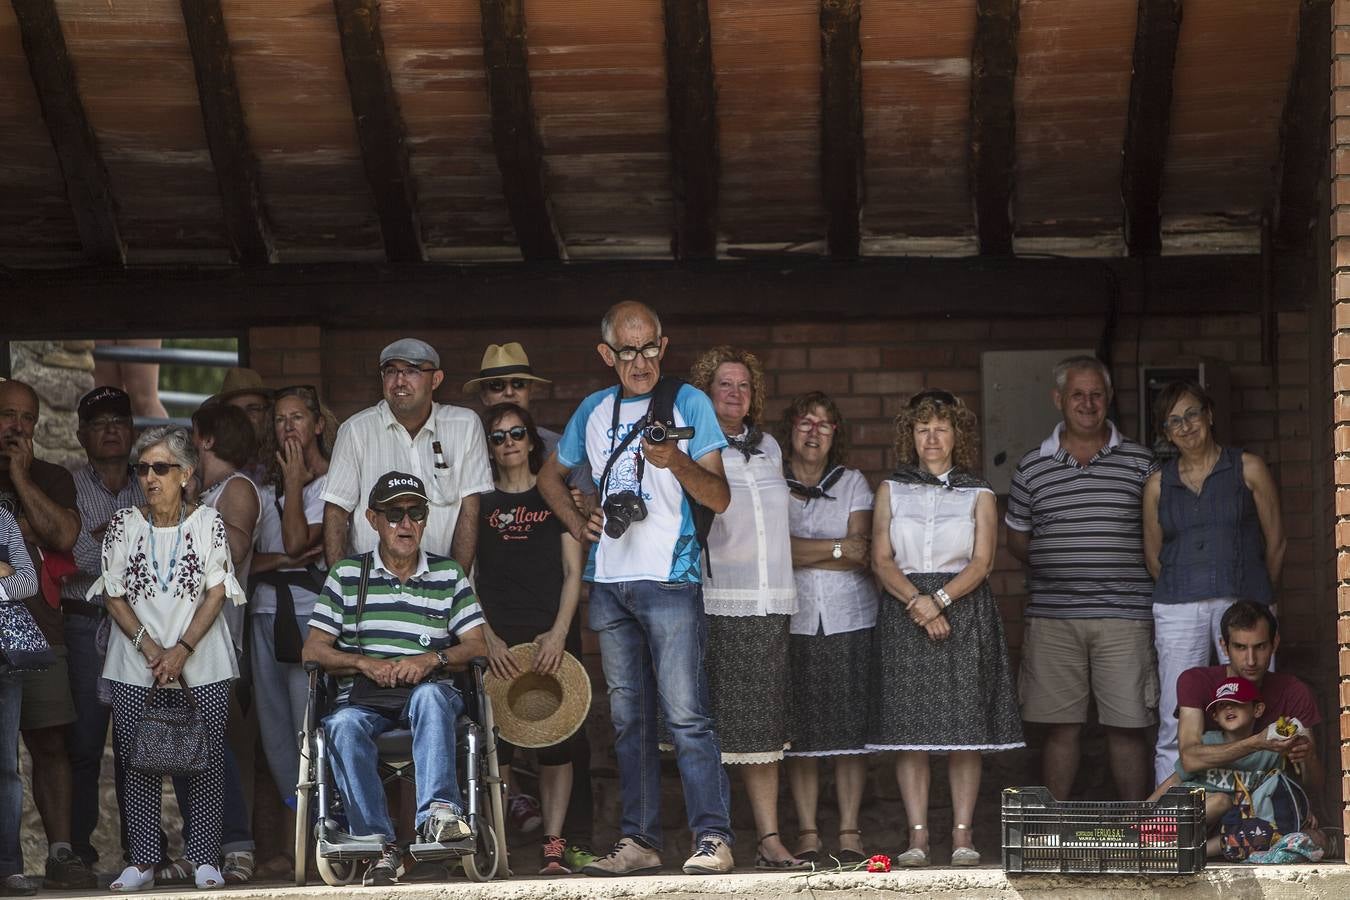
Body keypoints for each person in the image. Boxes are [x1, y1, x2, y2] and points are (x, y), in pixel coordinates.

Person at [537, 301, 735, 876]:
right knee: (628, 721)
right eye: (628, 351)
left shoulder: (689, 402)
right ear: (607, 355)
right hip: (611, 582)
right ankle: (640, 840)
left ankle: (713, 838)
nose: (642, 360)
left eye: (650, 347)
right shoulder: (594, 411)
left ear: (663, 347)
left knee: (687, 716)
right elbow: (552, 477)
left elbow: (719, 499)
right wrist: (580, 524)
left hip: (672, 580)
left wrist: (675, 460)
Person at [303, 472, 488, 887]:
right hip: (365, 700)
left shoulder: (448, 575)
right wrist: (364, 663)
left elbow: (477, 647)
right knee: (341, 725)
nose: (406, 524)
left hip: (430, 697)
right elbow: (312, 651)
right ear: (372, 519)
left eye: (415, 512)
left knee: (429, 697)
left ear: (425, 519)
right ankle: (377, 842)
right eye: (394, 514)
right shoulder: (348, 575)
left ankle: (439, 816)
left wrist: (431, 659)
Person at [868, 389, 1024, 868]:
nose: (931, 437)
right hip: (903, 610)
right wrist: (916, 601)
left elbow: (982, 562)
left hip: (963, 609)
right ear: (909, 436)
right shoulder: (891, 489)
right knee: (910, 730)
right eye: (922, 428)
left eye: (940, 427)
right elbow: (879, 557)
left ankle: (962, 834)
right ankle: (917, 838)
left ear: (958, 434)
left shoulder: (978, 491)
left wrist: (938, 601)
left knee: (964, 728)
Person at [89, 425, 247, 892]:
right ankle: (142, 862)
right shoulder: (122, 524)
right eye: (143, 469)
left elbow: (217, 592)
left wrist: (180, 651)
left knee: (207, 759)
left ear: (186, 474)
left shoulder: (209, 523)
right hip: (135, 662)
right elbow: (113, 596)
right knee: (138, 761)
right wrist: (154, 651)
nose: (149, 477)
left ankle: (203, 859)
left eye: (161, 468)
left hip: (203, 662)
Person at [463, 341, 596, 868]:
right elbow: (464, 573)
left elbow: (573, 568)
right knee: (497, 744)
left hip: (550, 632)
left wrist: (561, 633)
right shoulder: (480, 498)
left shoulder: (555, 490)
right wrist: (485, 636)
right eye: (499, 437)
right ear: (489, 445)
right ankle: (493, 845)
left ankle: (558, 846)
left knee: (559, 741)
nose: (510, 441)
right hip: (499, 636)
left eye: (518, 433)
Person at [1005, 355, 1156, 801]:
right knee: (1060, 728)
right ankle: (1055, 830)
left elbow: (1156, 534)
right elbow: (1016, 542)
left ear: (1108, 398)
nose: (1087, 403)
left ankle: (1136, 829)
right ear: (1058, 400)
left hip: (1125, 616)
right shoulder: (1032, 466)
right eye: (1077, 394)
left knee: (1127, 727)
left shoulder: (1141, 462)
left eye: (1096, 394)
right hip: (1054, 618)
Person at [688, 347, 803, 870]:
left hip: (770, 602)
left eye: (743, 386)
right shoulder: (694, 445)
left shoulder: (771, 447)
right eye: (724, 386)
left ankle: (769, 838)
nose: (734, 394)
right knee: (715, 727)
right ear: (706, 394)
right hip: (717, 599)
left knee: (763, 729)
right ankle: (716, 839)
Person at [1142, 380, 1286, 784]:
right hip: (1178, 605)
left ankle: (1261, 810)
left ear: (1210, 415)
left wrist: (1259, 602)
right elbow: (1154, 555)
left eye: (1191, 414)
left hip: (1244, 602)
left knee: (1253, 707)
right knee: (1177, 711)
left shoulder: (1247, 467)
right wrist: (1186, 588)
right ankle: (1170, 821)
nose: (1185, 426)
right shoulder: (1158, 484)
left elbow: (1276, 540)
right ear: (1165, 433)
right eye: (1174, 421)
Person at [779, 391, 876, 865]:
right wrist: (837, 549)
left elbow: (864, 550)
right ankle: (809, 831)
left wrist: (806, 549)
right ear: (790, 429)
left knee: (849, 728)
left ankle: (850, 830)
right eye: (805, 421)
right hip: (794, 618)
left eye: (824, 423)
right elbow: (776, 552)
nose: (814, 431)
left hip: (850, 618)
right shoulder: (771, 483)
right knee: (803, 732)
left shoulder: (854, 482)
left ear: (836, 434)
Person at [0, 379, 89, 889]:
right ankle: (6, 862)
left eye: (27, 418)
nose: (17, 425)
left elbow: (62, 534)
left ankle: (59, 852)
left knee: (50, 743)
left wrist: (19, 476)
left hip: (38, 628)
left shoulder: (52, 477)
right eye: (7, 414)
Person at [64, 388, 145, 872]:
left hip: (140, 630)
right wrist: (122, 542)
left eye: (119, 420)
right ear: (81, 435)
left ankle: (143, 850)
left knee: (140, 745)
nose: (111, 429)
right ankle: (78, 852)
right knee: (85, 747)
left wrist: (101, 539)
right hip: (84, 623)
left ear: (132, 432)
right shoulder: (68, 486)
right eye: (99, 422)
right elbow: (72, 560)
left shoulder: (152, 479)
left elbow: (159, 561)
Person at [323, 338, 492, 569]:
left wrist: (453, 585)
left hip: (443, 585)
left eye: (411, 371)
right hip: (374, 589)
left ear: (436, 379)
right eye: (391, 371)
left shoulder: (464, 425)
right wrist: (341, 586)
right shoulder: (355, 430)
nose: (399, 381)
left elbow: (469, 510)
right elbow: (336, 513)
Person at [249, 386, 329, 834]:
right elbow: (246, 561)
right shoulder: (259, 490)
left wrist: (296, 485)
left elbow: (300, 541)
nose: (288, 427)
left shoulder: (331, 483)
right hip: (264, 612)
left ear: (317, 424)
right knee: (274, 728)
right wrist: (279, 561)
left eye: (297, 417)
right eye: (280, 420)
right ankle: (299, 829)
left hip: (308, 615)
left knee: (308, 724)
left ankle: (324, 825)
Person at [190, 403, 261, 884]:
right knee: (189, 746)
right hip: (184, 639)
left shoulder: (236, 488)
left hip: (217, 637)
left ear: (209, 439)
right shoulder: (208, 490)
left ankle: (237, 846)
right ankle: (205, 849)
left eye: (195, 435)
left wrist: (187, 505)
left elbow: (233, 551)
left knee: (220, 747)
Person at [1174, 602, 1320, 793]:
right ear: (1224, 647)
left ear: (1274, 643)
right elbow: (1189, 759)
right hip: (1209, 801)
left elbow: (1315, 786)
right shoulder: (1196, 681)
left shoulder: (1294, 691)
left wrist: (1307, 758)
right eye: (1240, 647)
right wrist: (1256, 743)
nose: (1251, 660)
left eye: (1260, 647)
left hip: (1268, 810)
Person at [1149, 677, 1302, 858]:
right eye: (1222, 705)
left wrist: (1303, 811)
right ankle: (1152, 838)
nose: (1229, 708)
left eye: (1237, 703)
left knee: (1262, 831)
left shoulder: (1269, 753)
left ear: (1258, 709)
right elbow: (1175, 779)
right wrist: (1143, 811)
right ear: (1215, 716)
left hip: (1221, 826)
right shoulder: (1207, 742)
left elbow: (1279, 789)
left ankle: (1185, 853)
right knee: (1221, 801)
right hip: (1182, 813)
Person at [1, 506, 39, 897]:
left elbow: (28, 581)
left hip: (4, 658)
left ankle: (8, 866)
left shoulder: (2, 519)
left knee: (5, 768)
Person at [208, 368, 273, 483]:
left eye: (253, 409)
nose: (244, 418)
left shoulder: (285, 460)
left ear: (267, 413)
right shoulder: (211, 467)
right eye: (235, 411)